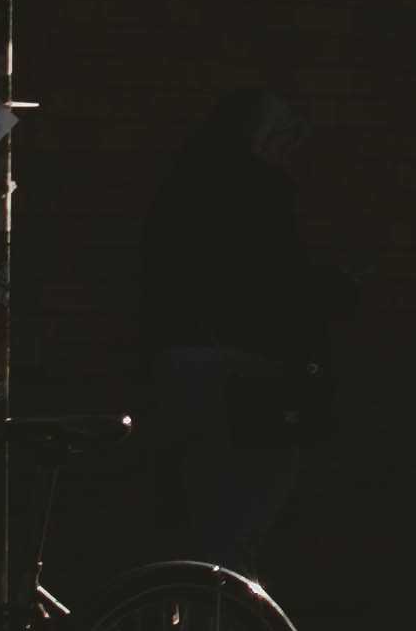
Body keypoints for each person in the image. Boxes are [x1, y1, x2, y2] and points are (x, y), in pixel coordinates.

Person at [139, 86, 352, 575]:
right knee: (241, 524)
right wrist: (334, 291)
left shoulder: (184, 184)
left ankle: (195, 630)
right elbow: (276, 286)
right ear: (261, 137)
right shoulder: (261, 190)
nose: (287, 150)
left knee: (201, 525)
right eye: (281, 137)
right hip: (241, 372)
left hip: (179, 364)